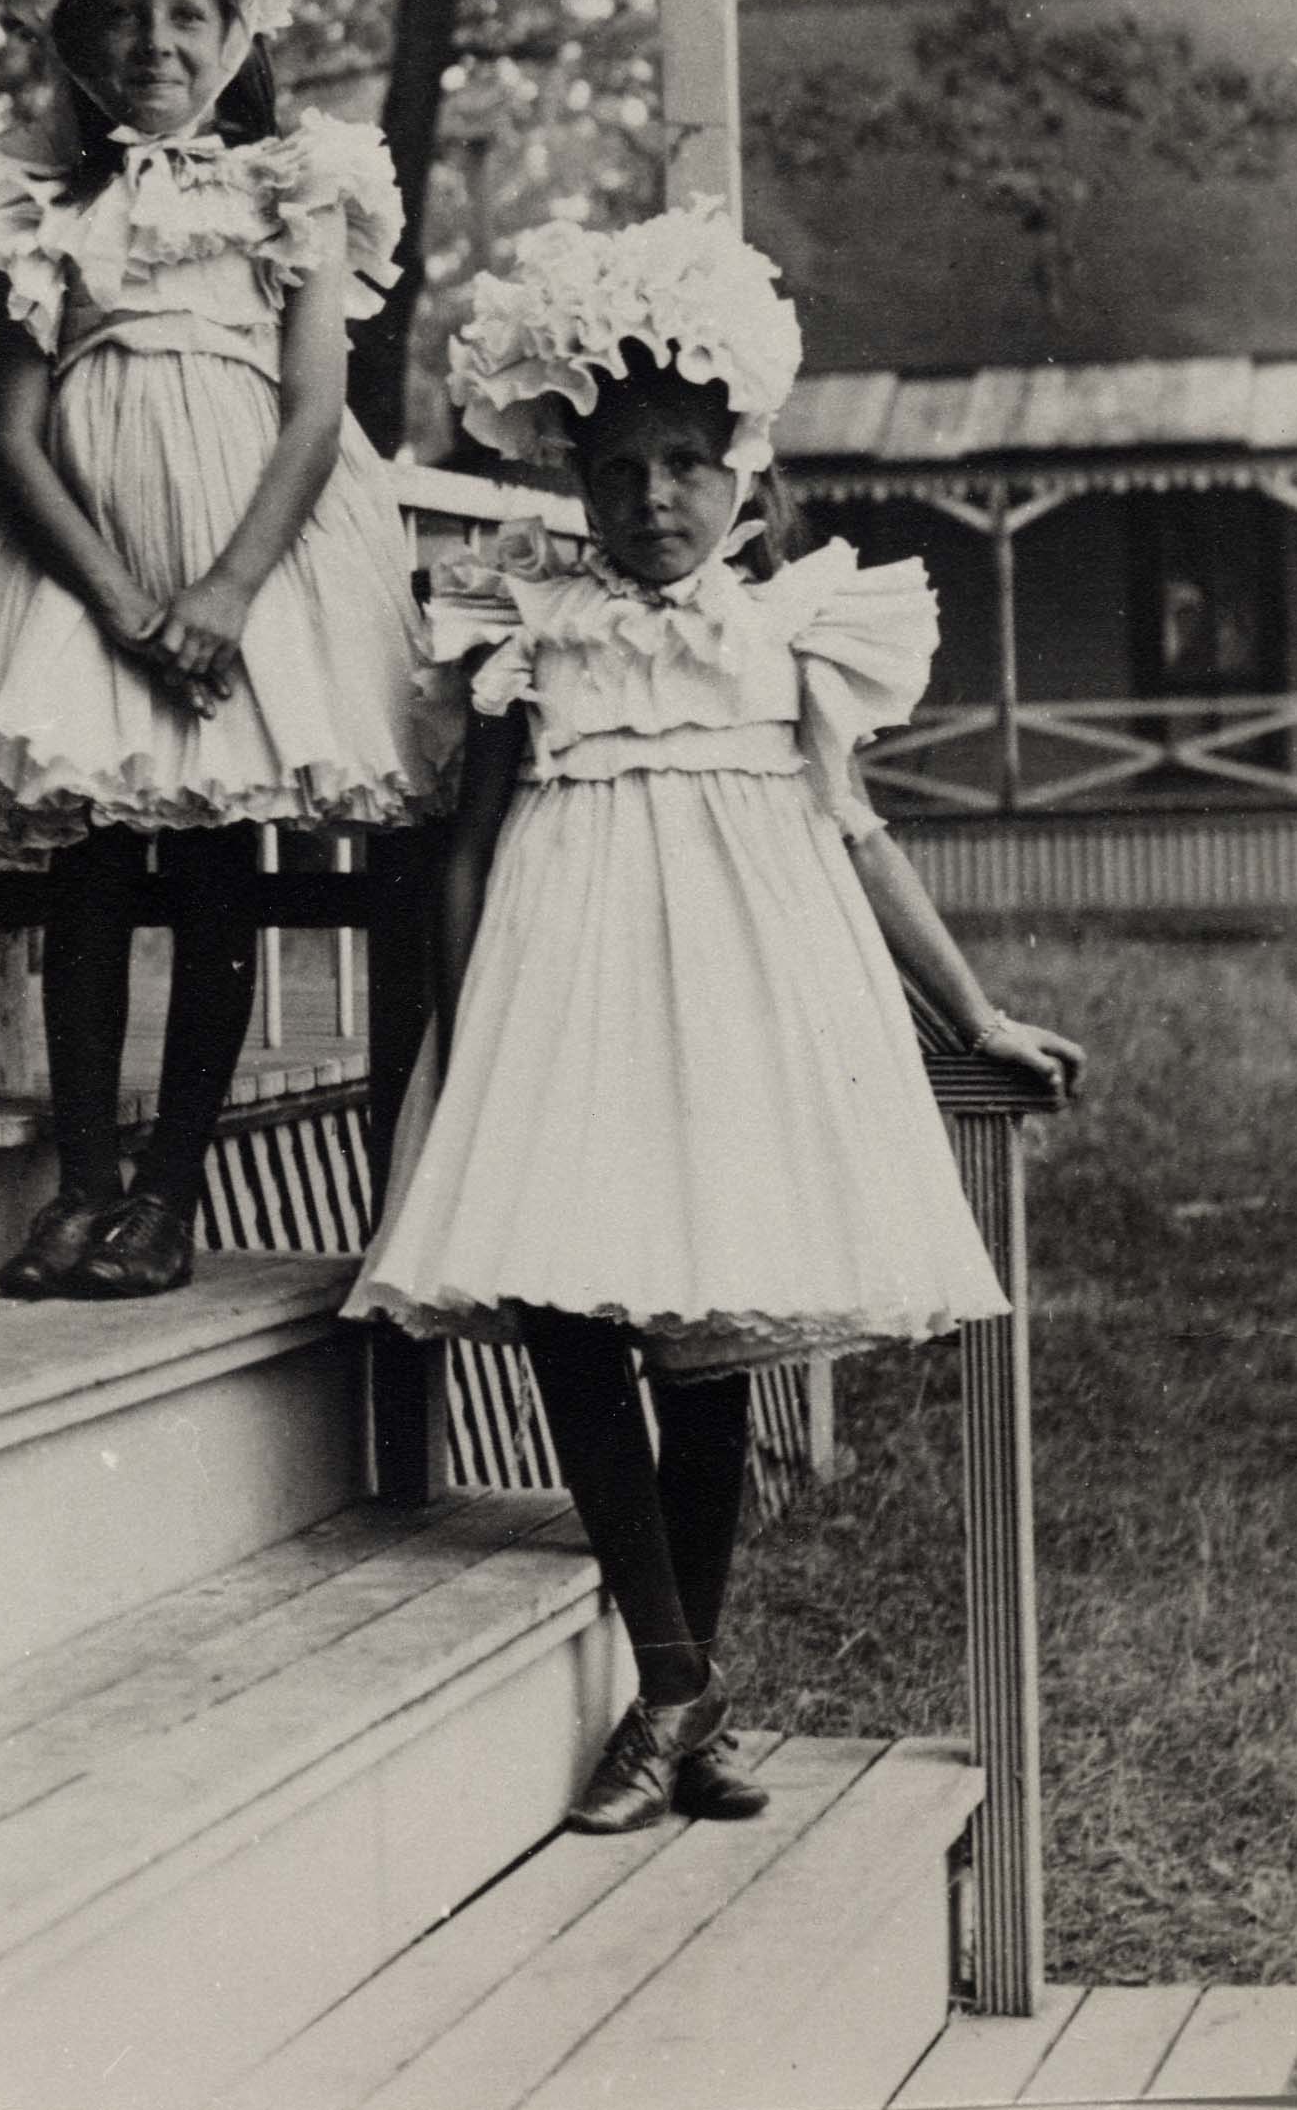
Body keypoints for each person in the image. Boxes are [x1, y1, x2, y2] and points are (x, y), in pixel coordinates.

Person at [343, 203, 1083, 1833]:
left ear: (744, 469)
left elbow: (858, 833)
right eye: (617, 470)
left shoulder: (790, 627)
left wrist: (974, 1012)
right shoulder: (529, 626)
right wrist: (464, 1046)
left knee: (708, 1321)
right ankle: (678, 1684)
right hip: (564, 1000)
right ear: (573, 480)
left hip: (736, 1005)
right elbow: (466, 853)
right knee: (567, 1305)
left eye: (685, 463)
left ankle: (675, 1701)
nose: (653, 499)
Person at [0, 0, 454, 1302]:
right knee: (91, 875)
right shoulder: (45, 210)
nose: (156, 45)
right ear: (77, 37)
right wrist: (125, 604)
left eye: (189, 16)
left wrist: (226, 592)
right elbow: (12, 434)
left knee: (212, 881)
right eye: (124, 17)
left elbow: (315, 414)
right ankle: (83, 1181)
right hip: (89, 580)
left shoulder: (294, 191)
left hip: (249, 574)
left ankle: (171, 1191)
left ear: (240, 33)